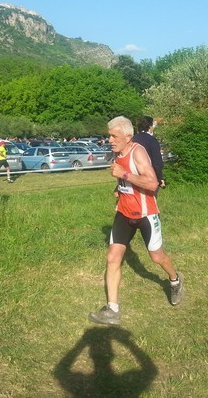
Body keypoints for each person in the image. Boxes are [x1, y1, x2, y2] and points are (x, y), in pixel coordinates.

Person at [88, 116, 183, 326]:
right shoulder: (118, 153)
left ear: (128, 136)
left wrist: (125, 174)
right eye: (109, 135)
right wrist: (119, 186)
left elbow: (152, 183)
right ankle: (112, 309)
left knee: (156, 257)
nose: (110, 140)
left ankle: (175, 280)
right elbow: (126, 178)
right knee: (113, 257)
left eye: (114, 136)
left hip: (145, 213)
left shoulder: (137, 152)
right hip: (124, 212)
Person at [133, 116, 165, 195]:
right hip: (149, 176)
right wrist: (160, 178)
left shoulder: (133, 139)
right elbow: (157, 162)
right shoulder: (152, 140)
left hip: (134, 175)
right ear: (150, 126)